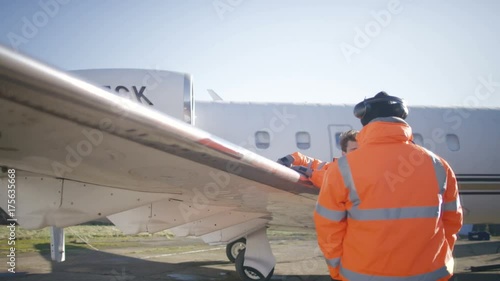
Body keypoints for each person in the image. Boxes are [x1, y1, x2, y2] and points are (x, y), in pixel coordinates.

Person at [314, 91, 463, 281]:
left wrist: (337, 270)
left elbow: (328, 227)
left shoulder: (342, 168)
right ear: (402, 119)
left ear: (365, 122)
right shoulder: (439, 165)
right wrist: (440, 259)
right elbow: (452, 222)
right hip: (430, 274)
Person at [277, 129, 358, 188]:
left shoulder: (366, 169)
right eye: (354, 150)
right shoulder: (338, 167)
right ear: (344, 153)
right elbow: (316, 165)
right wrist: (293, 158)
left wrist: (311, 173)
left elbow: (335, 182)